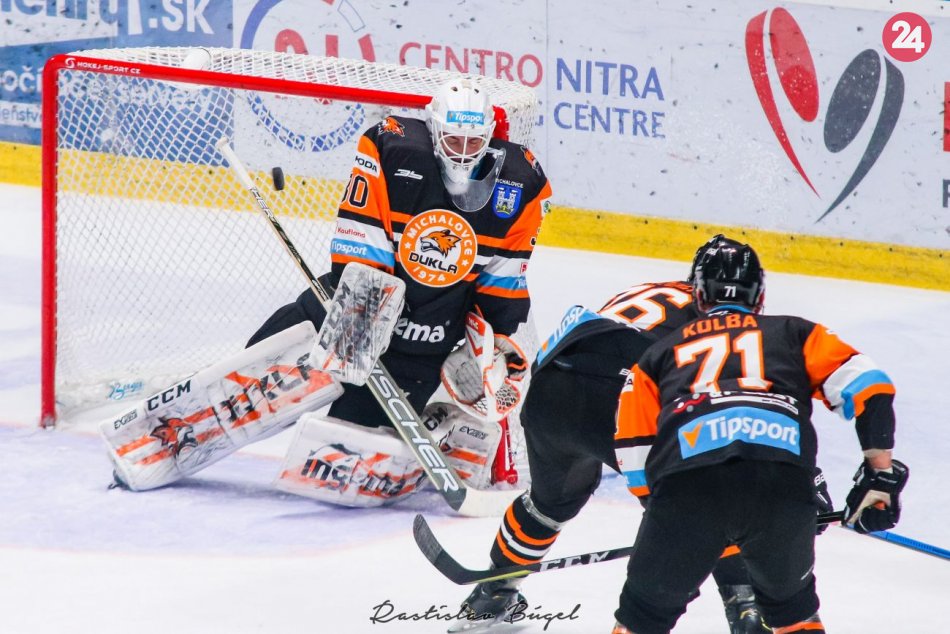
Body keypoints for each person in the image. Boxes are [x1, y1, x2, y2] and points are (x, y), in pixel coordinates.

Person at [450, 236, 831, 633]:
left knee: (549, 503)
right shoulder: (727, 324)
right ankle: (749, 611)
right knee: (714, 490)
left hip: (553, 388)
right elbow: (743, 408)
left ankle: (493, 592)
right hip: (623, 389)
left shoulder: (649, 290)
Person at [246, 78, 553, 505]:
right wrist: (366, 318)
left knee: (343, 456)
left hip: (423, 342)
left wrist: (495, 336)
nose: (463, 152)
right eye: (454, 139)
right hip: (349, 312)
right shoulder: (393, 149)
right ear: (434, 130)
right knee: (253, 385)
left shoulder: (520, 183)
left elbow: (504, 276)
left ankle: (428, 423)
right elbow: (361, 243)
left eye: (473, 141)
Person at [611, 238, 908, 634]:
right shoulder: (796, 333)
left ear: (698, 296)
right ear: (760, 296)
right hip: (781, 489)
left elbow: (635, 458)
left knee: (642, 619)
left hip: (689, 492)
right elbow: (872, 387)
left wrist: (677, 530)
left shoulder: (659, 353)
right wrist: (879, 476)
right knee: (795, 614)